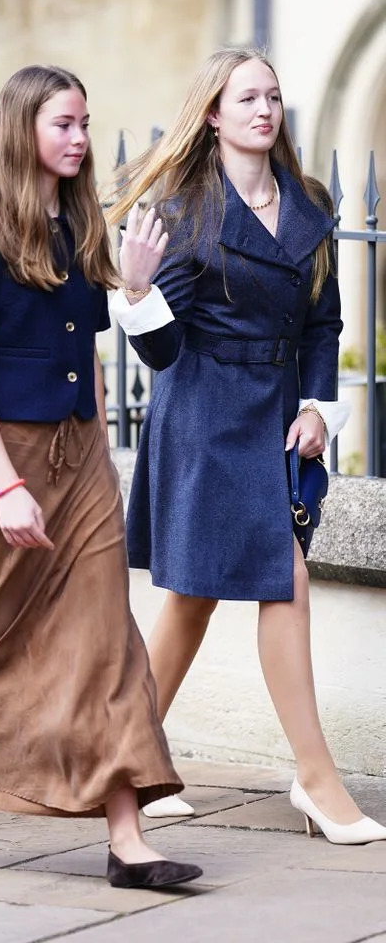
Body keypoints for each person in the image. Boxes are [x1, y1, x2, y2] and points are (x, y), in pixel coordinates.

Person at [0, 64, 202, 892]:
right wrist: (4, 485)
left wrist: (99, 453)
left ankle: (127, 835)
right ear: (25, 126)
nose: (80, 137)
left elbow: (93, 359)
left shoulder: (79, 225)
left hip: (81, 459)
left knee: (109, 640)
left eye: (86, 123)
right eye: (64, 123)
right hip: (8, 462)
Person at [108, 47, 386, 845]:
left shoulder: (310, 202)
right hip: (202, 416)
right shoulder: (184, 210)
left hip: (276, 422)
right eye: (246, 98)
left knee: (193, 598)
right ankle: (317, 778)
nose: (264, 110)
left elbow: (326, 321)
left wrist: (319, 409)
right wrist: (136, 291)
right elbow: (161, 354)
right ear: (213, 115)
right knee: (282, 579)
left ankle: (131, 760)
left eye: (272, 96)